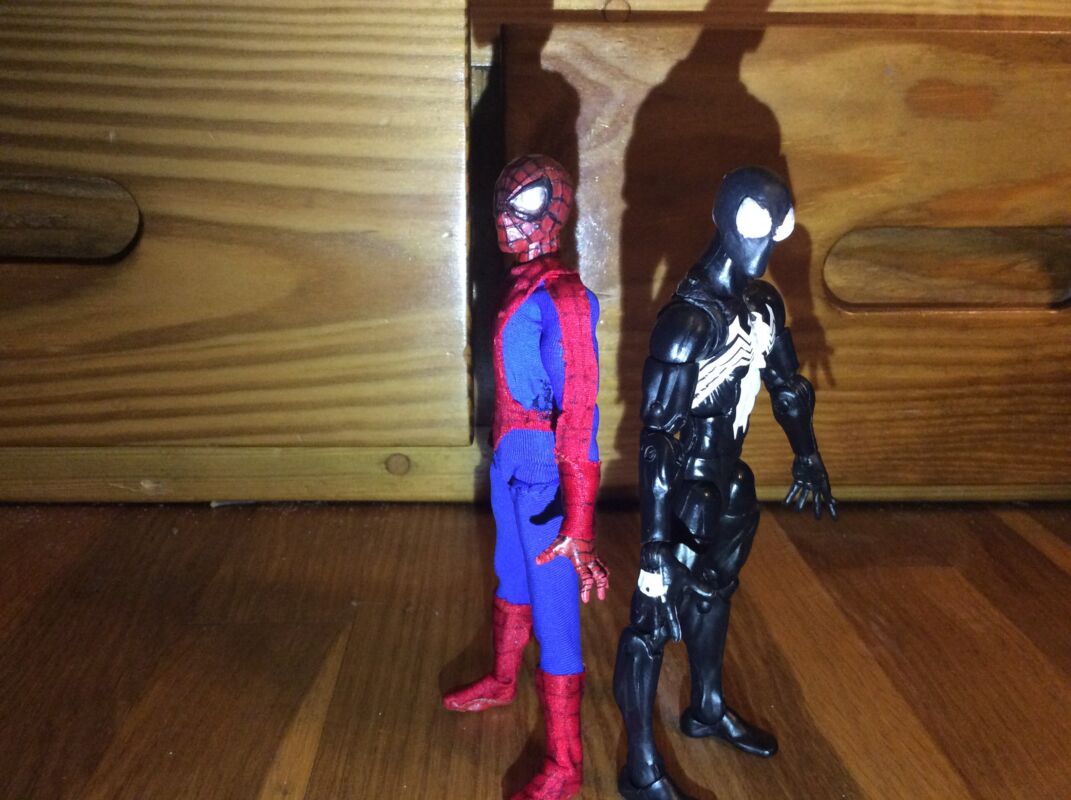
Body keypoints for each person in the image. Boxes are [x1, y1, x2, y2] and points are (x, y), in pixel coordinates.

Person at [614, 167, 837, 800]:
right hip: (683, 495)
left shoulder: (762, 306)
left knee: (715, 593)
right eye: (753, 224)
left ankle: (706, 707)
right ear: (722, 217)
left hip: (729, 486)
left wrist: (807, 455)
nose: (764, 244)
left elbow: (788, 387)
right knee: (650, 624)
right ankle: (640, 770)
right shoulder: (688, 323)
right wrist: (654, 550)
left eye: (778, 228)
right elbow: (656, 439)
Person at [443, 155, 608, 800]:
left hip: (545, 473)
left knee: (556, 615)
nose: (509, 220)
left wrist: (581, 524)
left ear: (558, 211)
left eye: (529, 205)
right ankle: (503, 679)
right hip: (510, 460)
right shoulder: (521, 288)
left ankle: (567, 763)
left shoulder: (566, 300)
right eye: (505, 204)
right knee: (510, 576)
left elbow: (581, 412)